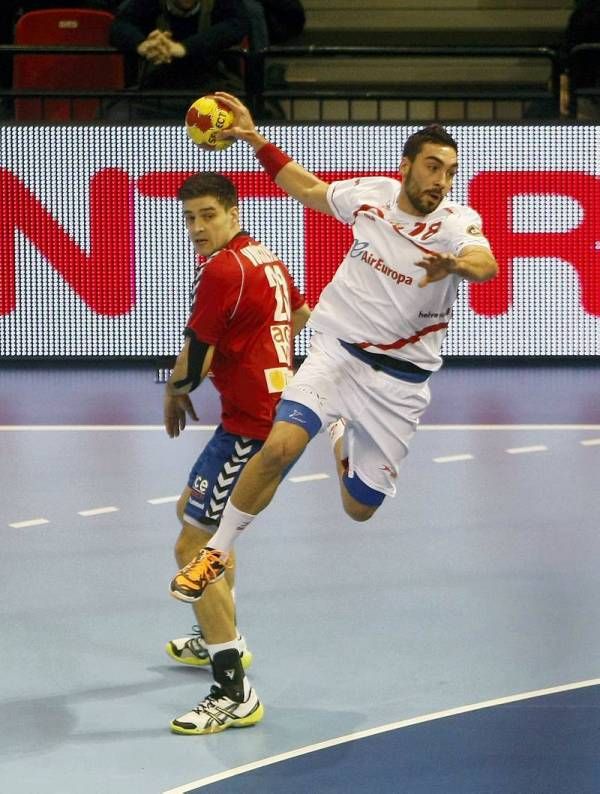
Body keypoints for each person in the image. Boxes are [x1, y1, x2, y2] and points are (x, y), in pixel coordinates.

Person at [169, 95, 498, 613]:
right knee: (279, 447)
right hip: (336, 351)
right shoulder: (372, 196)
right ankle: (216, 550)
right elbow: (307, 188)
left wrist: (455, 266)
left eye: (451, 172)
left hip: (400, 382)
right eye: (433, 167)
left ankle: (340, 435)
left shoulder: (457, 225)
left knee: (359, 508)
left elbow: (486, 265)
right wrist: (255, 139)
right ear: (406, 166)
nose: (442, 180)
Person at [164, 171, 310, 734]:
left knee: (191, 549)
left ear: (232, 212)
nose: (198, 227)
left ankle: (232, 688)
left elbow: (195, 362)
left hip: (250, 430)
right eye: (190, 218)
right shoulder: (263, 257)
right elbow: (299, 317)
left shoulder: (223, 270)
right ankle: (213, 630)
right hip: (262, 414)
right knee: (194, 515)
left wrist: (172, 397)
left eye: (208, 215)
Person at [109, 0, 249, 117]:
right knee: (117, 114)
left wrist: (185, 48)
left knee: (244, 114)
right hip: (158, 89)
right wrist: (143, 45)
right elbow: (120, 26)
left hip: (212, 87)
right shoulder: (149, 3)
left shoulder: (221, 4)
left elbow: (236, 24)